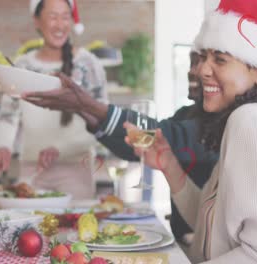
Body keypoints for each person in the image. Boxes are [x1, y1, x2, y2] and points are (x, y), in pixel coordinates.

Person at [124, 0, 257, 262]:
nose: (202, 69)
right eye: (204, 57)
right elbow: (213, 219)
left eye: (220, 59)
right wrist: (169, 163)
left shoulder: (252, 121)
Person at [24, 53, 218, 244]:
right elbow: (135, 148)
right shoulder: (186, 113)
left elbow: (161, 135)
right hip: (184, 239)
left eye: (201, 62)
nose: (194, 71)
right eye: (193, 63)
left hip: (202, 243)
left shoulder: (221, 120)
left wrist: (85, 102)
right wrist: (80, 109)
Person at [0, 0, 108, 199]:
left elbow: (100, 121)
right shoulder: (23, 65)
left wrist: (59, 149)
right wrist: (3, 145)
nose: (60, 24)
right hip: (31, 172)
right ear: (37, 21)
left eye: (65, 17)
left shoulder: (88, 65)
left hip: (75, 173)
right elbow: (7, 115)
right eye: (53, 17)